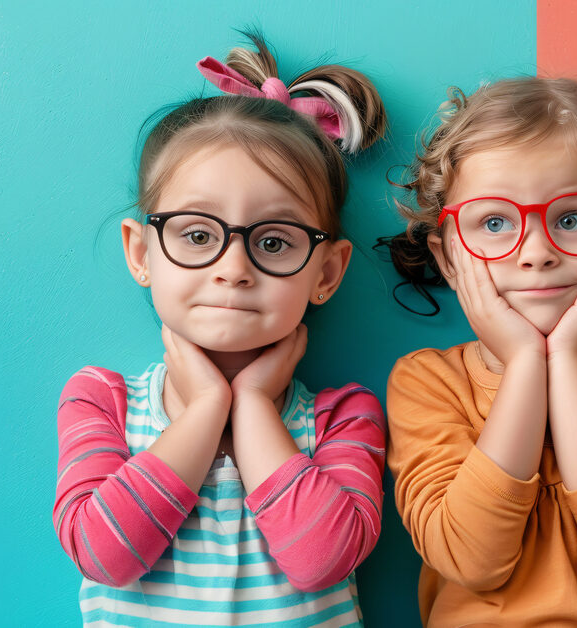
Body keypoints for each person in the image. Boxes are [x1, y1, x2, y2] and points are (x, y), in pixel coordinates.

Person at [53, 34, 388, 627]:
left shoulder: (345, 416)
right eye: (198, 235)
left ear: (327, 272)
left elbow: (322, 561)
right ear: (140, 253)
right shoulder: (99, 400)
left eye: (275, 242)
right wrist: (208, 406)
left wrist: (254, 404)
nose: (233, 269)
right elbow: (103, 556)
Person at [381, 77, 577, 626]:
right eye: (495, 222)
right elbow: (471, 561)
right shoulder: (425, 383)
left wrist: (567, 364)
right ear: (449, 257)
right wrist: (528, 363)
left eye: (571, 219)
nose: (536, 253)